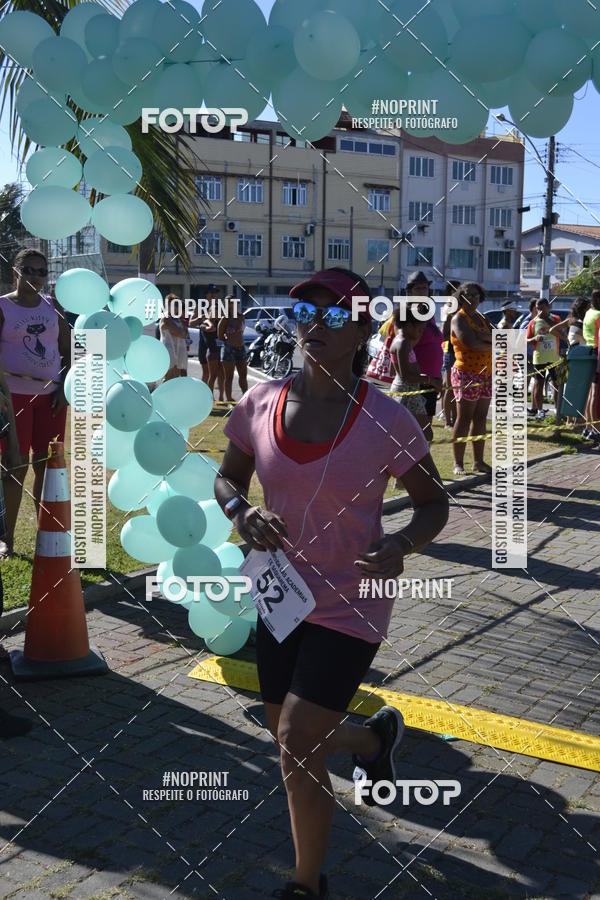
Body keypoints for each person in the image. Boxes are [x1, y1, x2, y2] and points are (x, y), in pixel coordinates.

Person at [215, 267, 449, 900]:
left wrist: (402, 544)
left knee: (296, 739)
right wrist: (241, 512)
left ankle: (306, 884)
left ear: (362, 332)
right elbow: (227, 479)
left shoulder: (387, 418)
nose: (316, 324)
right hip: (279, 595)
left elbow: (434, 502)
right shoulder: (259, 402)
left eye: (336, 315)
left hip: (352, 602)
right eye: (306, 312)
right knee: (287, 732)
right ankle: (373, 739)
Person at [0, 248, 70, 558]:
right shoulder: (3, 307)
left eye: (42, 272)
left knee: (47, 466)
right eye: (29, 270)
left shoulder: (53, 307)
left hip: (51, 398)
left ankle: (47, 536)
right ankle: (7, 540)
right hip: (13, 397)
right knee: (14, 467)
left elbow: (68, 351)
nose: (36, 277)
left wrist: (64, 388)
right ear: (16, 272)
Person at [450, 282, 493, 477]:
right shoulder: (458, 318)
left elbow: (496, 337)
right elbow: (470, 342)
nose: (472, 298)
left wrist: (482, 337)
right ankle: (458, 463)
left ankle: (478, 462)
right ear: (461, 297)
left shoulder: (482, 318)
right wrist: (487, 340)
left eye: (476, 295)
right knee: (464, 418)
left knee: (481, 418)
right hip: (466, 373)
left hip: (486, 373)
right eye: (468, 295)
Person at [526, 298, 561, 421]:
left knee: (556, 384)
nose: (540, 311)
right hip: (539, 357)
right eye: (538, 308)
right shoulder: (533, 322)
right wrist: (534, 339)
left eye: (542, 308)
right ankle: (540, 411)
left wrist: (546, 318)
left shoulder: (555, 318)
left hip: (554, 357)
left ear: (548, 307)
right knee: (538, 384)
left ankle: (557, 410)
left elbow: (558, 330)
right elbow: (527, 339)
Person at [190, 285, 224, 401]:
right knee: (207, 373)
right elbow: (191, 323)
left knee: (220, 372)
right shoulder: (200, 306)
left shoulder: (219, 306)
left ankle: (221, 397)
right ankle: (205, 397)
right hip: (205, 343)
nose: (214, 295)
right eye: (211, 293)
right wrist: (201, 318)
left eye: (215, 293)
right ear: (206, 294)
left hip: (218, 343)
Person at [218, 295, 248, 403]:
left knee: (243, 375)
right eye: (232, 302)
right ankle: (229, 399)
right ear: (228, 305)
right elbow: (220, 335)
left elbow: (241, 332)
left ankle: (246, 397)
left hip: (241, 348)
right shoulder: (225, 319)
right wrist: (230, 340)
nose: (236, 304)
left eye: (237, 302)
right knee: (229, 377)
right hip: (229, 349)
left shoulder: (241, 316)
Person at [582, 290, 600, 442]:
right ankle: (595, 429)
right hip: (596, 351)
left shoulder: (589, 312)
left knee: (590, 393)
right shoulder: (598, 315)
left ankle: (588, 427)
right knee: (594, 393)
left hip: (588, 351)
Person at [159, 293, 187, 381]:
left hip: (179, 349)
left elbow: (185, 334)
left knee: (176, 377)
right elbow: (177, 332)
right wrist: (181, 332)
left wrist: (181, 332)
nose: (177, 307)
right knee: (168, 376)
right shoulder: (166, 317)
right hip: (168, 349)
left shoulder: (178, 318)